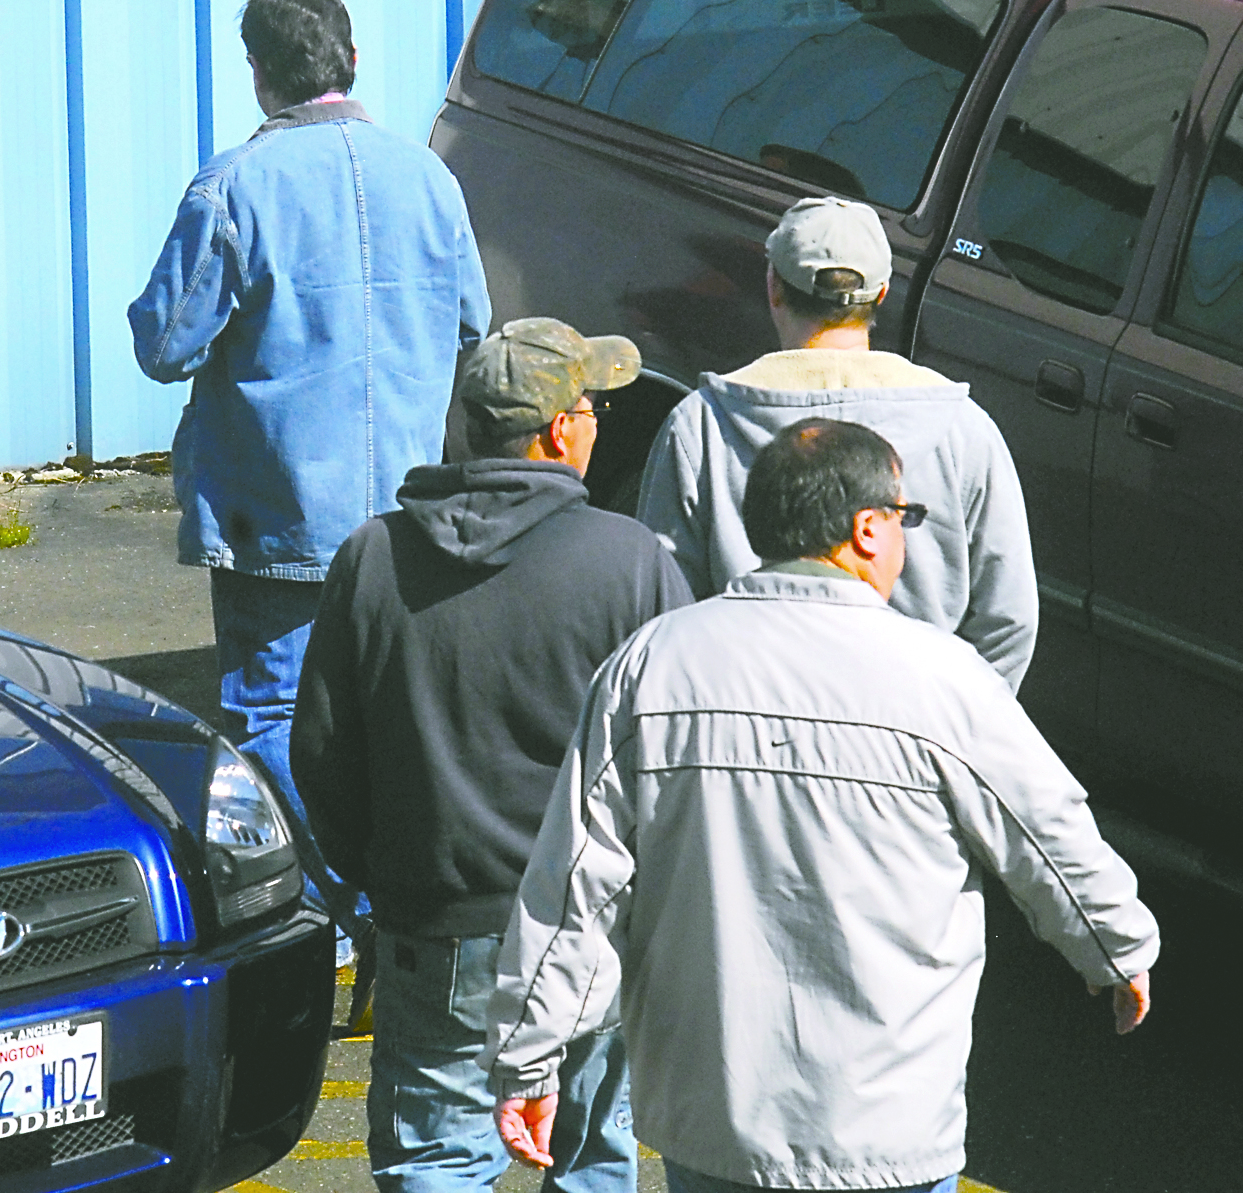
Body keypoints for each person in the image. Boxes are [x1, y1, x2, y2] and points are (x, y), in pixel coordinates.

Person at [487, 418, 1158, 1193]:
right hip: (888, 1126)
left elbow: (576, 879)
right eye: (906, 519)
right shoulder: (943, 677)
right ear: (868, 529)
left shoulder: (655, 664)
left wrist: (530, 1053)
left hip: (715, 1121)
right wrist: (1115, 948)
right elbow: (1048, 834)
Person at [128, 0, 491, 943]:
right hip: (406, 509)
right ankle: (398, 904)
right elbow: (471, 323)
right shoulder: (427, 178)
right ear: (353, 59)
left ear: (258, 75)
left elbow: (164, 343)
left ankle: (353, 910)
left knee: (274, 717)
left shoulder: (235, 187)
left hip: (276, 506)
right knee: (388, 713)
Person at [292, 317, 691, 1193]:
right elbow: (672, 758)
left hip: (436, 922)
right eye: (591, 409)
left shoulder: (373, 556)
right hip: (594, 923)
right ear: (558, 432)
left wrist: (383, 876)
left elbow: (321, 748)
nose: (597, 425)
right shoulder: (628, 562)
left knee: (436, 1158)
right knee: (588, 1150)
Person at [637, 196, 1037, 688]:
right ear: (883, 294)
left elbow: (665, 605)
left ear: (772, 288)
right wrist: (951, 727)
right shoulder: (965, 429)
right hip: (909, 738)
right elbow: (1009, 619)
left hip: (749, 722)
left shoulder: (702, 424)